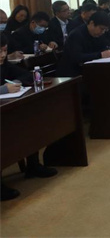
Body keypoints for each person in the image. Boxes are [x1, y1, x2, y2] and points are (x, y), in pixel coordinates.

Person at [0, 33, 58, 202]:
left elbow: (25, 74)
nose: (2, 55)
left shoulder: (4, 64)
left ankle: (33, 165)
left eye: (4, 50)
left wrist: (15, 83)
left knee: (29, 121)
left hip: (8, 108)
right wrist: (3, 89)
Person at [55, 11, 110, 77]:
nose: (103, 32)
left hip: (90, 69)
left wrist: (108, 51)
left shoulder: (99, 35)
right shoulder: (76, 35)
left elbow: (106, 46)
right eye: (102, 29)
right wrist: (100, 55)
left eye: (105, 30)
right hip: (73, 74)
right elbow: (77, 57)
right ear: (92, 23)